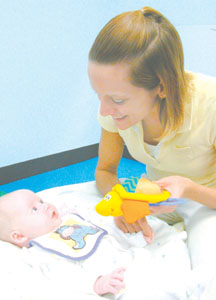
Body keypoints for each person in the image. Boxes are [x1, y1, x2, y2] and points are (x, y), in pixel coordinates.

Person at [88, 6, 216, 268]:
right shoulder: (113, 111)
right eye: (98, 95)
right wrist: (124, 202)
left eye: (118, 99)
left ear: (161, 86)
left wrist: (188, 189)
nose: (104, 111)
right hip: (157, 202)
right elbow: (105, 171)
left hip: (206, 203)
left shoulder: (210, 104)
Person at [0, 189, 192, 299]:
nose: (45, 205)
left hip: (130, 259)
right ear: (19, 236)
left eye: (40, 201)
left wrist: (135, 238)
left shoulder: (72, 219)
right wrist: (96, 284)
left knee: (164, 276)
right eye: (34, 209)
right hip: (112, 282)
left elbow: (106, 233)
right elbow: (62, 276)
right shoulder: (41, 250)